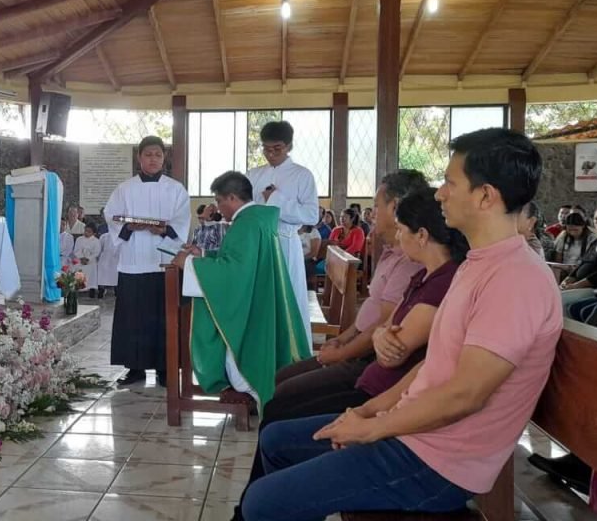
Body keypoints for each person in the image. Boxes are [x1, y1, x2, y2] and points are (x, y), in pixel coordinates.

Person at [241, 128, 562, 521]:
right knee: (276, 440)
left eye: (449, 182)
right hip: (416, 432)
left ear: (485, 196)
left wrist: (373, 429)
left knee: (264, 503)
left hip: (441, 461)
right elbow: (435, 365)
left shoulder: (515, 278)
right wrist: (370, 411)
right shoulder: (479, 264)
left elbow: (467, 395)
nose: (440, 193)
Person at [235, 187, 467, 517]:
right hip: (375, 383)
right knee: (278, 409)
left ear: (423, 235)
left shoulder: (446, 281)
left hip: (382, 391)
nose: (398, 235)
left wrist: (369, 413)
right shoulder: (423, 274)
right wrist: (363, 340)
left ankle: (259, 508)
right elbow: (388, 327)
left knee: (280, 417)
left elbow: (393, 351)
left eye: (403, 229)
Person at [173, 171, 311, 410]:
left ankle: (248, 388)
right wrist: (203, 255)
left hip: (252, 306)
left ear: (233, 198)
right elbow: (241, 262)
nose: (218, 207)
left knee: (233, 343)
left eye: (219, 201)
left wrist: (188, 264)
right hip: (260, 297)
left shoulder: (245, 224)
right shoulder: (257, 219)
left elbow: (233, 273)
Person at [104, 136, 190, 387]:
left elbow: (182, 222)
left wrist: (163, 229)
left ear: (164, 158)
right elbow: (112, 217)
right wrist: (130, 226)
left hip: (164, 260)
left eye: (158, 155)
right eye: (148, 154)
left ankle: (166, 368)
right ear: (139, 157)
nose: (153, 159)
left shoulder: (175, 189)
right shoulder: (125, 189)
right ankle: (135, 368)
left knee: (164, 316)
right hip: (133, 260)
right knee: (133, 317)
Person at [246, 121, 320, 344]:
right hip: (258, 245)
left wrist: (277, 200)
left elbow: (311, 215)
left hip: (286, 243)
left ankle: (292, 356)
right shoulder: (253, 174)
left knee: (288, 299)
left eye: (276, 148)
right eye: (266, 148)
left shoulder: (302, 175)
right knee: (260, 301)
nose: (270, 154)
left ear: (289, 146)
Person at [73, 224, 102, 298]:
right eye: (85, 231)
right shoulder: (79, 239)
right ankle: (79, 288)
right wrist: (81, 257)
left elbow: (97, 252)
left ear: (93, 233)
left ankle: (91, 289)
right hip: (80, 259)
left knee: (92, 269)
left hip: (90, 260)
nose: (86, 233)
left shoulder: (96, 241)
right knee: (77, 268)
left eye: (89, 231)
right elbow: (76, 250)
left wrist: (88, 258)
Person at [96, 226, 119, 299]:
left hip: (116, 259)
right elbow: (99, 248)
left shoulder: (120, 237)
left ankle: (117, 290)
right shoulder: (104, 236)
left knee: (116, 275)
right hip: (105, 258)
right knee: (102, 273)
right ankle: (101, 290)